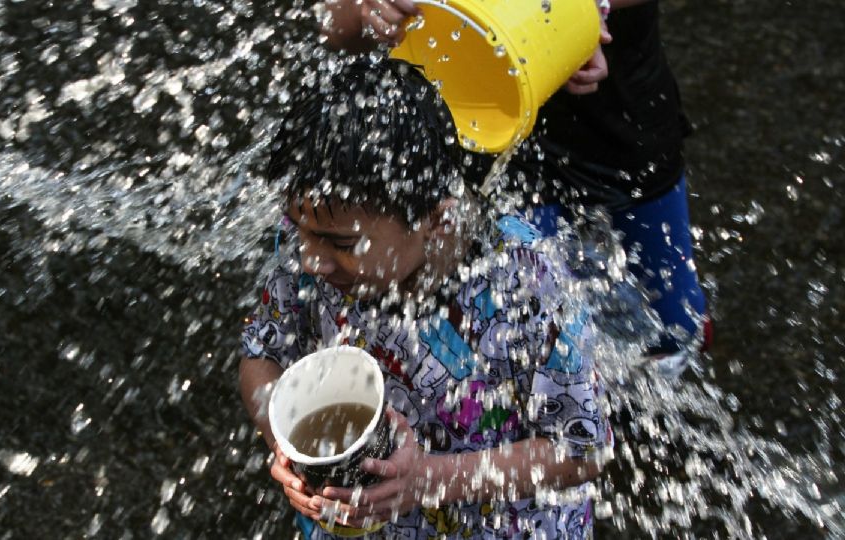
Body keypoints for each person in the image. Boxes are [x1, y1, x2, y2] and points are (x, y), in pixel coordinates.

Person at [239, 59, 611, 539]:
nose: (311, 260)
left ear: (439, 223)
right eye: (301, 232)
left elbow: (583, 449)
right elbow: (261, 352)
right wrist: (281, 438)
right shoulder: (316, 233)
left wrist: (427, 481)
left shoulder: (524, 287)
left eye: (342, 245)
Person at [318, 0, 711, 376]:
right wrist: (367, 9)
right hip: (482, 128)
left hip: (620, 129)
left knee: (675, 322)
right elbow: (336, 26)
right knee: (525, 331)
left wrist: (581, 8)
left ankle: (654, 388)